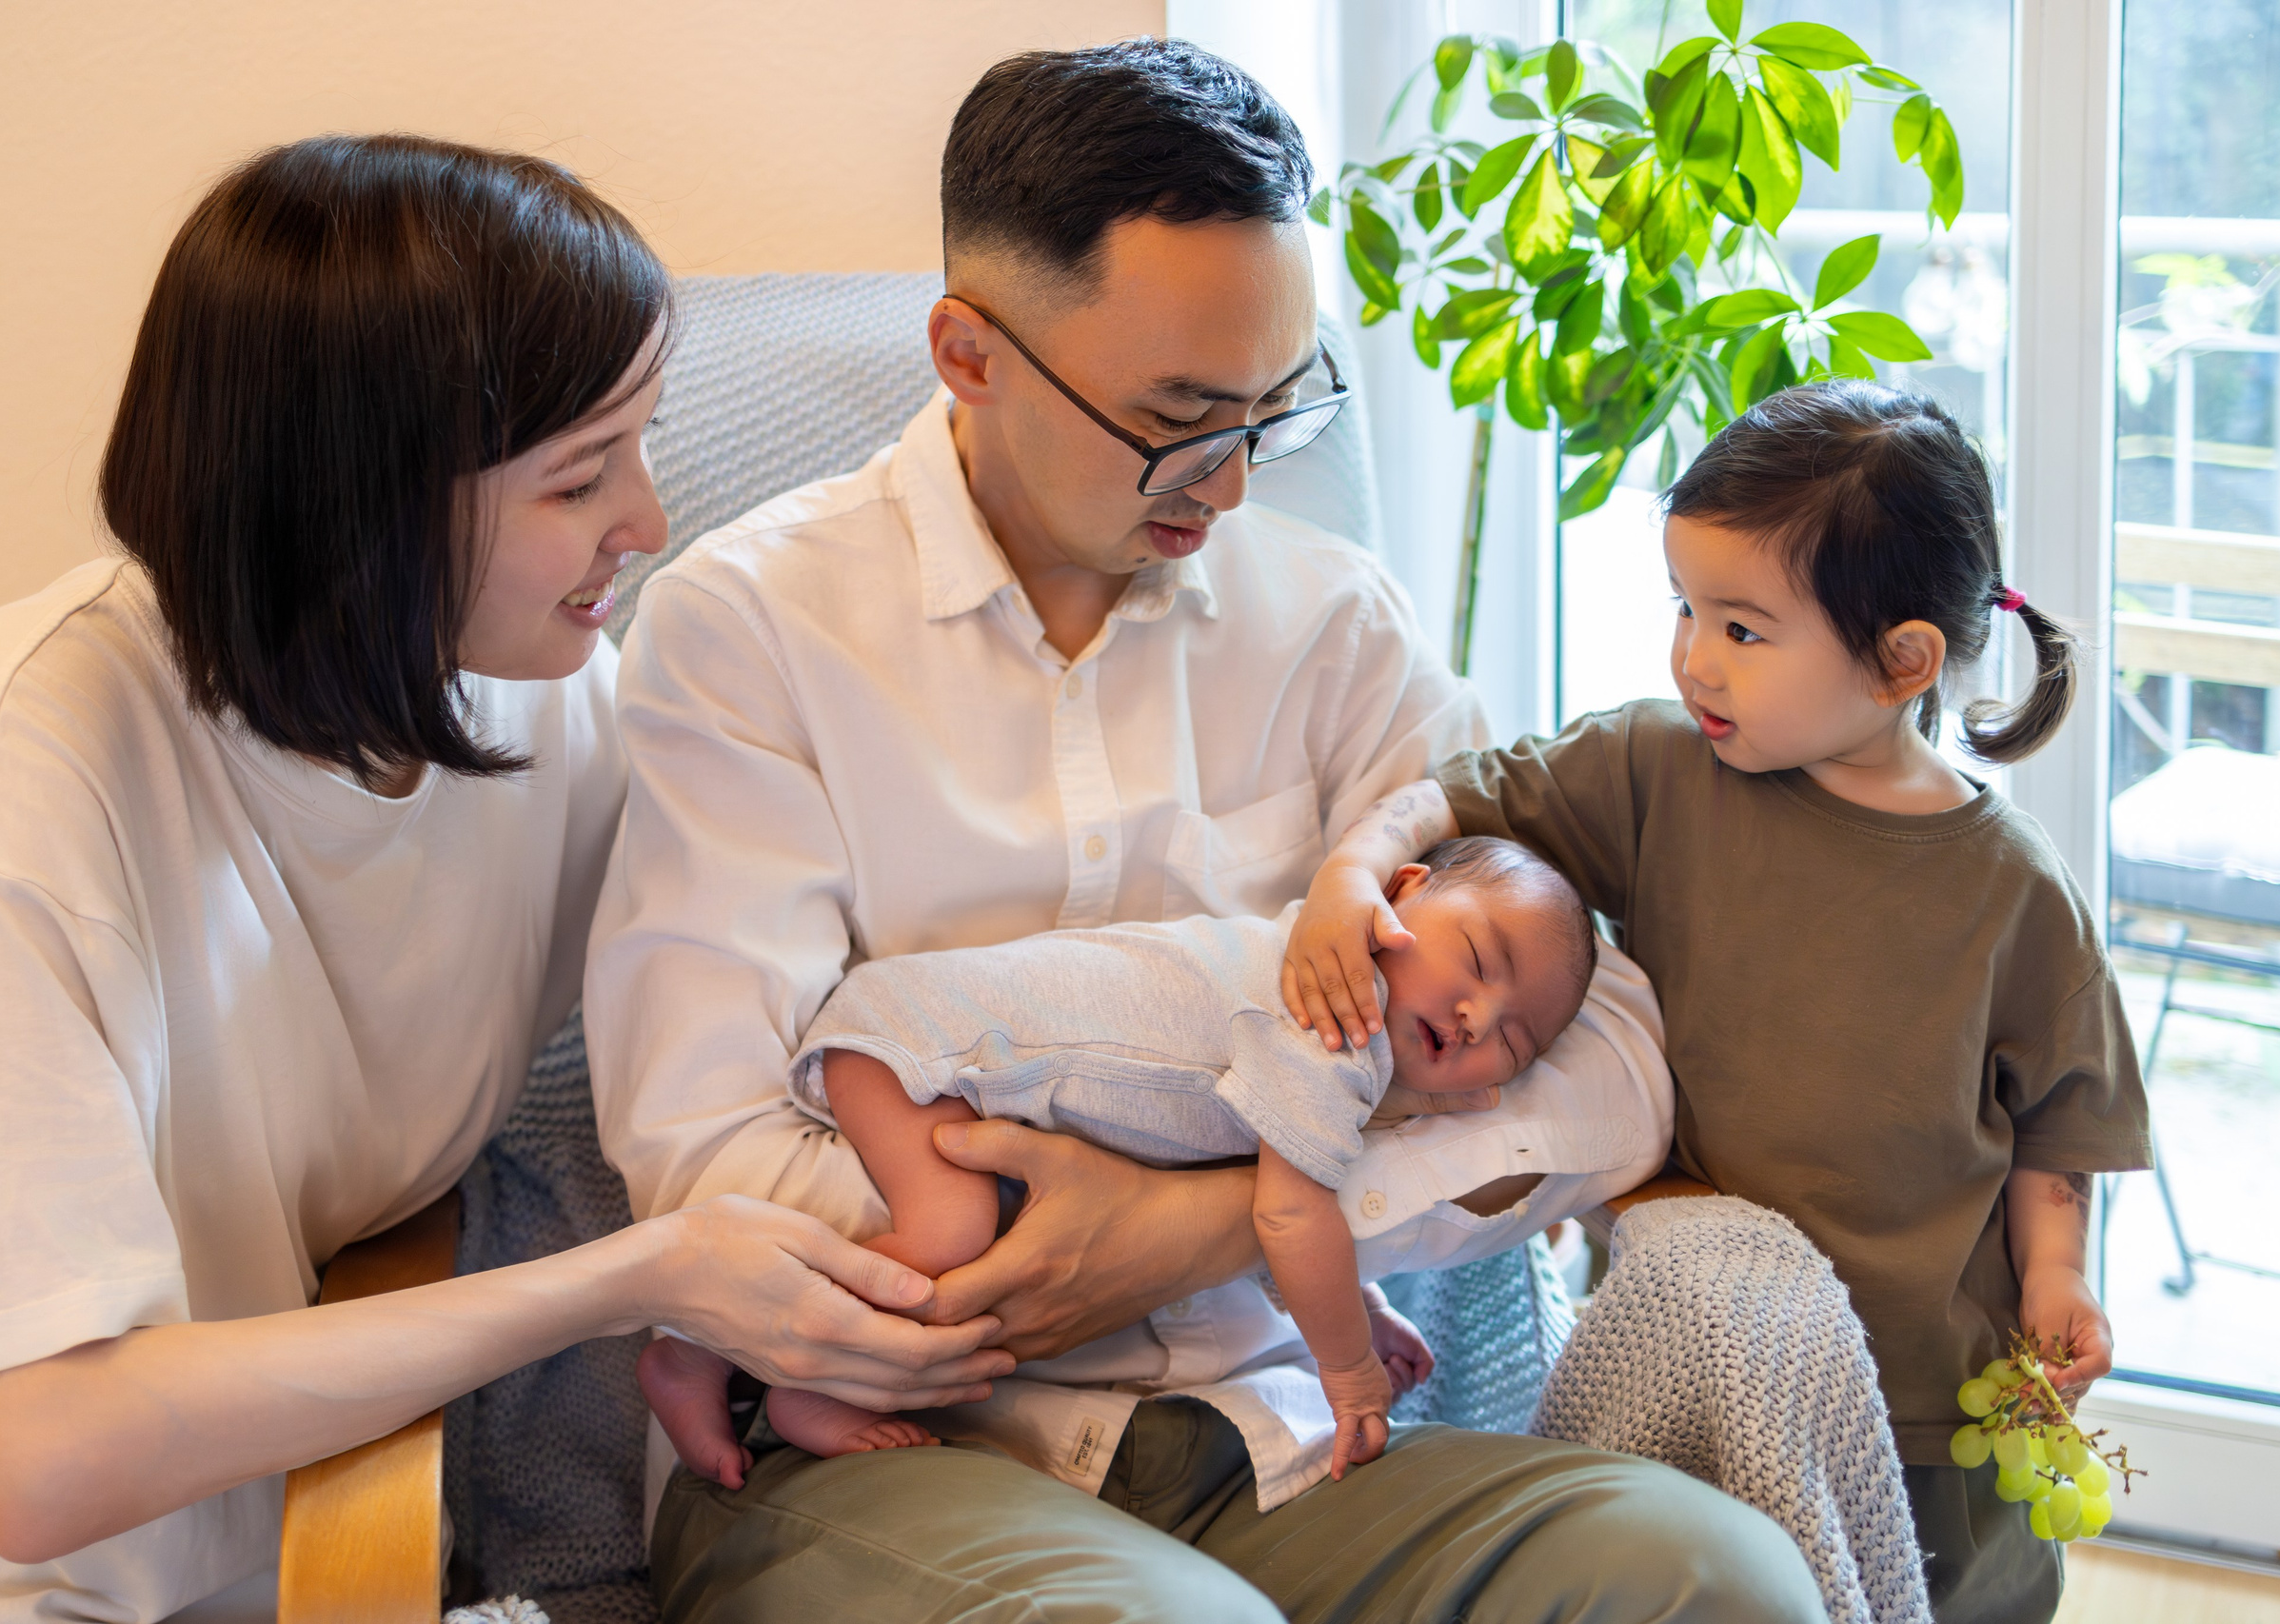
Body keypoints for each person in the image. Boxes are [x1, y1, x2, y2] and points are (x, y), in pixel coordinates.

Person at [590, 39, 1824, 1622]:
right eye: (1180, 420)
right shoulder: (749, 631)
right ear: (967, 355)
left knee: (1720, 1579)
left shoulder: (1336, 628)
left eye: (1275, 413)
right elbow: (706, 1157)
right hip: (877, 1446)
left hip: (1284, 1445)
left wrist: (1189, 1230)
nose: (1234, 488)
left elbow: (1611, 1062)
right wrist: (1061, 1259)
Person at [0, 134, 1009, 1624]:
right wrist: (636, 1276)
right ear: (357, 504)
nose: (647, 523)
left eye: (641, 446)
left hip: (301, 1543)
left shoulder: (530, 693)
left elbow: (795, 974)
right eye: (581, 475)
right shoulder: (22, 772)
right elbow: (46, 1455)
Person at [1283, 380, 2153, 1624]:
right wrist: (1350, 876)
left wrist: (2060, 1271)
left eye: (1744, 628)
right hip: (1708, 1355)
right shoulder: (1656, 770)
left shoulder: (2016, 892)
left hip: (1929, 1403)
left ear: (1902, 660)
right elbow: (1453, 798)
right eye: (1686, 609)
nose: (1695, 654)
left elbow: (2062, 1125)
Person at [644, 835, 1597, 1487]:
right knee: (952, 1233)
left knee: (963, 1229)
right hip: (912, 1043)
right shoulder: (1330, 1023)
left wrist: (1371, 1305)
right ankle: (732, 1356)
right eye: (1473, 955)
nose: (1476, 1011)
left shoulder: (1331, 1037)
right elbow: (1289, 1215)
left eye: (1512, 1035)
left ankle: (729, 1353)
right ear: (1401, 892)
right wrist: (1346, 1369)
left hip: (937, 1040)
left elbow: (1258, 1195)